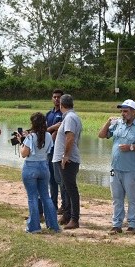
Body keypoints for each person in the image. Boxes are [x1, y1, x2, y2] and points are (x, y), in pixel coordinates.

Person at [99, 99, 135, 235]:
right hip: (115, 169)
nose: (123, 113)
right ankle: (116, 225)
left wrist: (131, 147)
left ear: (134, 112)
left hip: (132, 169)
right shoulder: (117, 124)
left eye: (126, 111)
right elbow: (102, 135)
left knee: (133, 198)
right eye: (122, 111)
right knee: (116, 198)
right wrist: (108, 122)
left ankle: (133, 226)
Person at [18, 112, 60, 233]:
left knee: (32, 197)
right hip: (44, 166)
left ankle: (34, 226)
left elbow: (24, 154)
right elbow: (47, 148)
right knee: (46, 196)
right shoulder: (47, 135)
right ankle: (53, 225)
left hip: (31, 167)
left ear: (33, 123)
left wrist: (22, 142)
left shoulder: (30, 137)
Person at [52, 94, 82, 229]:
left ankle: (74, 219)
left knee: (70, 189)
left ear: (61, 105)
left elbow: (69, 137)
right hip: (65, 158)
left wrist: (65, 156)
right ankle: (67, 215)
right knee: (65, 188)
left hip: (68, 159)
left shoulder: (70, 118)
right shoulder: (70, 117)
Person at [46, 89, 65, 213]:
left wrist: (51, 131)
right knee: (51, 179)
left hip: (59, 151)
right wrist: (52, 128)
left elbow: (60, 131)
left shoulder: (65, 115)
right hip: (49, 149)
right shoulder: (49, 114)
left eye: (59, 97)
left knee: (61, 179)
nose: (57, 99)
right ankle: (53, 204)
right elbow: (44, 130)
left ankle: (65, 205)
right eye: (54, 97)